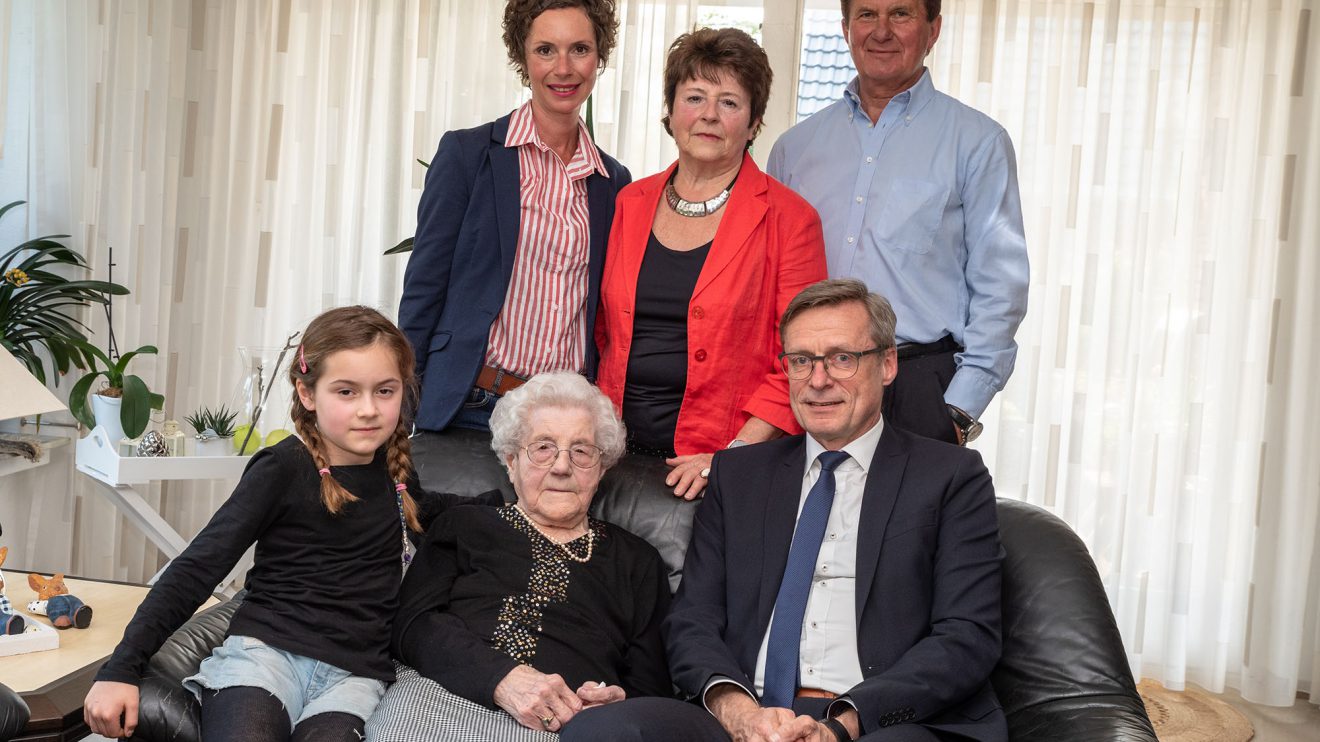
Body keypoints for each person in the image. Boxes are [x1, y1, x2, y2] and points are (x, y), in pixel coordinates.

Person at [83, 306, 480, 742]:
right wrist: (120, 668)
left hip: (355, 677)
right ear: (308, 393)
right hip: (265, 659)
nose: (369, 409)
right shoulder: (283, 467)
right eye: (346, 392)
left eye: (384, 391)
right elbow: (197, 568)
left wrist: (517, 505)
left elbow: (432, 511)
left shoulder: (396, 469)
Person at [663, 278, 1007, 741]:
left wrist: (843, 724)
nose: (818, 381)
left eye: (842, 358)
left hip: (882, 721)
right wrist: (739, 713)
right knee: (611, 728)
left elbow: (967, 637)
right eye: (801, 361)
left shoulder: (951, 477)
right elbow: (692, 619)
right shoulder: (738, 475)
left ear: (887, 364)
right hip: (750, 712)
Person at [368, 371, 704, 741]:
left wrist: (615, 704)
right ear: (511, 461)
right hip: (441, 698)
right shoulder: (465, 524)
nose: (561, 466)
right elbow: (413, 624)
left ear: (602, 467)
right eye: (543, 447)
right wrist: (501, 679)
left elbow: (650, 686)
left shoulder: (638, 560)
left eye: (581, 451)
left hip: (566, 726)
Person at [767, 0, 1029, 446]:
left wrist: (958, 409)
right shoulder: (795, 150)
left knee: (912, 519)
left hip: (918, 385)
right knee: (807, 513)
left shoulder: (978, 143)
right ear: (846, 28)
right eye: (867, 14)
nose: (881, 31)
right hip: (810, 382)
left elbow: (1000, 289)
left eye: (901, 14)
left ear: (934, 29)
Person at [595, 27, 828, 500]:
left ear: (755, 121)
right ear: (671, 110)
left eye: (729, 102)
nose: (708, 115)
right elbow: (605, 333)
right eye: (695, 96)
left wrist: (733, 455)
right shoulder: (630, 202)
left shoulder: (791, 219)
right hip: (611, 454)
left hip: (726, 461)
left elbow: (803, 359)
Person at [399, 0, 631, 471]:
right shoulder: (468, 155)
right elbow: (424, 287)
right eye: (546, 50)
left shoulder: (614, 182)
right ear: (522, 58)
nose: (563, 68)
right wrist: (401, 405)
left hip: (564, 423)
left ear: (599, 58)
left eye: (580, 49)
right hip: (470, 405)